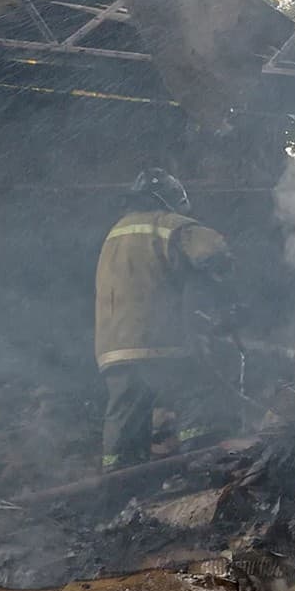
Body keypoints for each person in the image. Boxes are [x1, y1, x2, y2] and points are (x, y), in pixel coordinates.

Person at [93, 168, 234, 472]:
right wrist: (218, 283)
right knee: (197, 391)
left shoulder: (115, 233)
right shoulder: (169, 225)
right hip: (160, 336)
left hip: (114, 345)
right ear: (172, 199)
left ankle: (119, 481)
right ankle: (201, 463)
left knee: (125, 414)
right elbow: (214, 251)